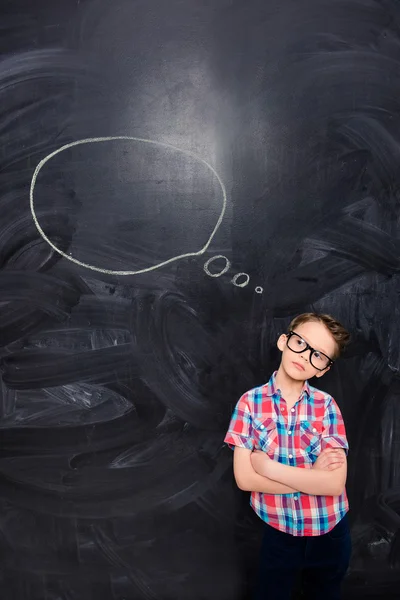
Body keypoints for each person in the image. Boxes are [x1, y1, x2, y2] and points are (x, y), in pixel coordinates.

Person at [224, 313, 351, 600]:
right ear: (284, 341)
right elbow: (245, 479)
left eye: (318, 355)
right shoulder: (250, 403)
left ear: (323, 369)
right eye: (301, 344)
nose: (306, 356)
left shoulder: (326, 406)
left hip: (328, 531)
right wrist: (312, 477)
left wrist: (267, 467)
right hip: (276, 531)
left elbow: (333, 485)